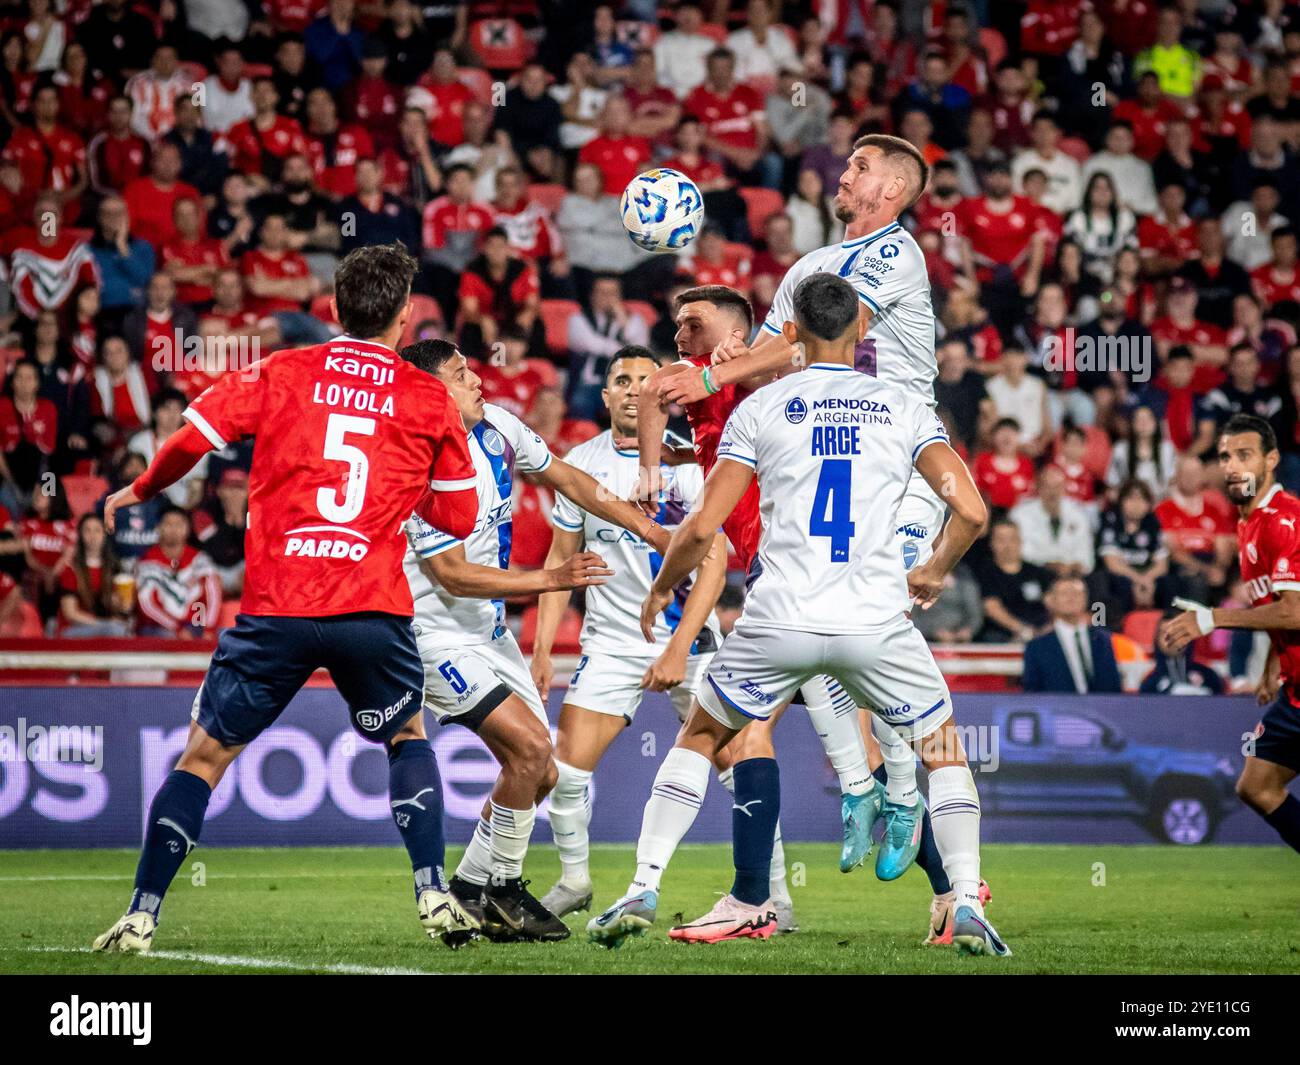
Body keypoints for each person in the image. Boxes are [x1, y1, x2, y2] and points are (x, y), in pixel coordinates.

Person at [592, 273, 1007, 955]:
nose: (681, 340)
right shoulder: (902, 406)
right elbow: (973, 511)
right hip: (872, 621)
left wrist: (663, 587)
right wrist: (933, 569)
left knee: (702, 734)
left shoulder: (762, 408)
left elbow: (700, 527)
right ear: (863, 331)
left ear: (789, 332)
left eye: (693, 325)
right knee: (943, 750)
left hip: (778, 613)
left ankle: (646, 883)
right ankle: (962, 896)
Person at [91, 243, 482, 955]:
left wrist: (142, 489)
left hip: (278, 607)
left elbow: (191, 439)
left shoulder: (281, 370)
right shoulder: (428, 396)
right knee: (406, 737)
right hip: (371, 608)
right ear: (405, 317)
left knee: (203, 757)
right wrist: (401, 485)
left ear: (332, 309)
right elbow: (458, 519)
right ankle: (432, 890)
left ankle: (142, 914)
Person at [398, 339, 673, 943]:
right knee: (527, 751)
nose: (477, 380)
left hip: (490, 632)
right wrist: (551, 580)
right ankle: (504, 890)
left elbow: (568, 477)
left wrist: (647, 526)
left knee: (542, 772)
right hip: (433, 631)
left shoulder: (497, 425)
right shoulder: (413, 459)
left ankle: (467, 886)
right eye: (460, 374)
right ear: (428, 392)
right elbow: (449, 575)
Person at [530, 347, 727, 918]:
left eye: (648, 378)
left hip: (692, 642)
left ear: (665, 390)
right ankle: (574, 882)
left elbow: (715, 559)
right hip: (612, 644)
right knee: (564, 772)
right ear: (608, 395)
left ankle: (771, 895)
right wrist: (543, 651)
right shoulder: (580, 465)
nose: (636, 388)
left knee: (741, 767)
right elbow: (561, 559)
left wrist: (680, 644)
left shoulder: (693, 464)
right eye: (622, 380)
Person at [1162, 415, 1300, 855]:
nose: (1233, 466)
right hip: (1293, 688)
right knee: (1257, 785)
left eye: (1245, 455)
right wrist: (1271, 667)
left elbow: (1294, 611)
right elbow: (1275, 606)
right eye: (1225, 456)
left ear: (1271, 460)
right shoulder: (1247, 524)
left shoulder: (1286, 519)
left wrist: (1212, 619)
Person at [1021, 576, 1124, 694]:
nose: (1071, 598)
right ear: (1051, 600)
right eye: (1064, 593)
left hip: (1099, 709)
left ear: (1086, 599)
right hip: (1057, 710)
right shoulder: (1037, 646)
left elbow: (1113, 686)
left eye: (1077, 593)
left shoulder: (1103, 640)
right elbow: (1032, 693)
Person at [1140, 610, 1225, 695]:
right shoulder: (1149, 684)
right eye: (1164, 633)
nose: (1170, 639)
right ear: (1157, 640)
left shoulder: (1210, 677)